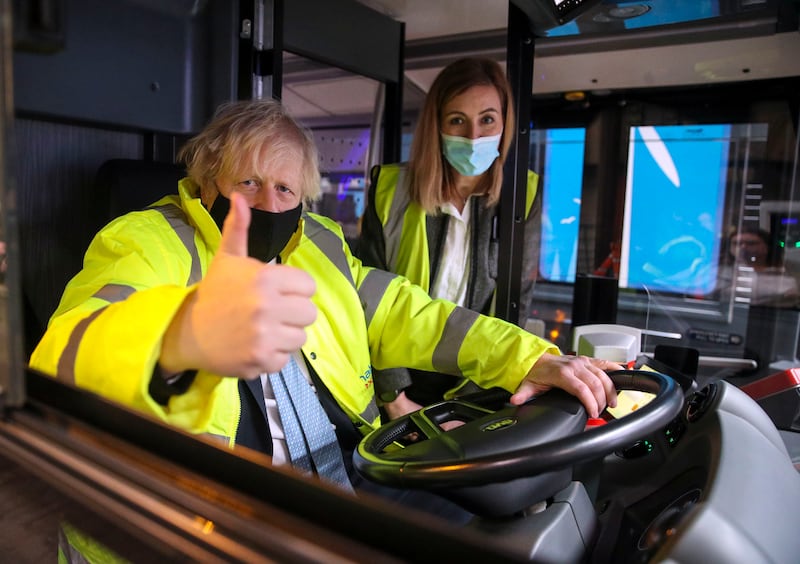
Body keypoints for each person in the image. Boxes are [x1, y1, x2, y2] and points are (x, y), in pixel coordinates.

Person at [30, 98, 617, 519]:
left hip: (344, 475)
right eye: (248, 183)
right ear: (208, 179)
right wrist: (180, 336)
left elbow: (409, 313)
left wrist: (528, 359)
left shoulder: (320, 245)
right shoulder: (145, 241)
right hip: (209, 507)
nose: (268, 202)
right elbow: (66, 353)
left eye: (285, 190)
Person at [356, 57, 541, 416]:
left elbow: (515, 304)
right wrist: (393, 398)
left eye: (487, 119)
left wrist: (467, 405)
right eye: (457, 120)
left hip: (477, 387)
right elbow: (369, 297)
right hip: (397, 383)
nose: (474, 137)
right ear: (436, 126)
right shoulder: (389, 189)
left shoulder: (523, 196)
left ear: (505, 123)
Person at [719, 226, 799, 307]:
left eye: (751, 243)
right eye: (736, 243)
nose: (743, 247)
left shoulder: (791, 269)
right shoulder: (720, 269)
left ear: (767, 247)